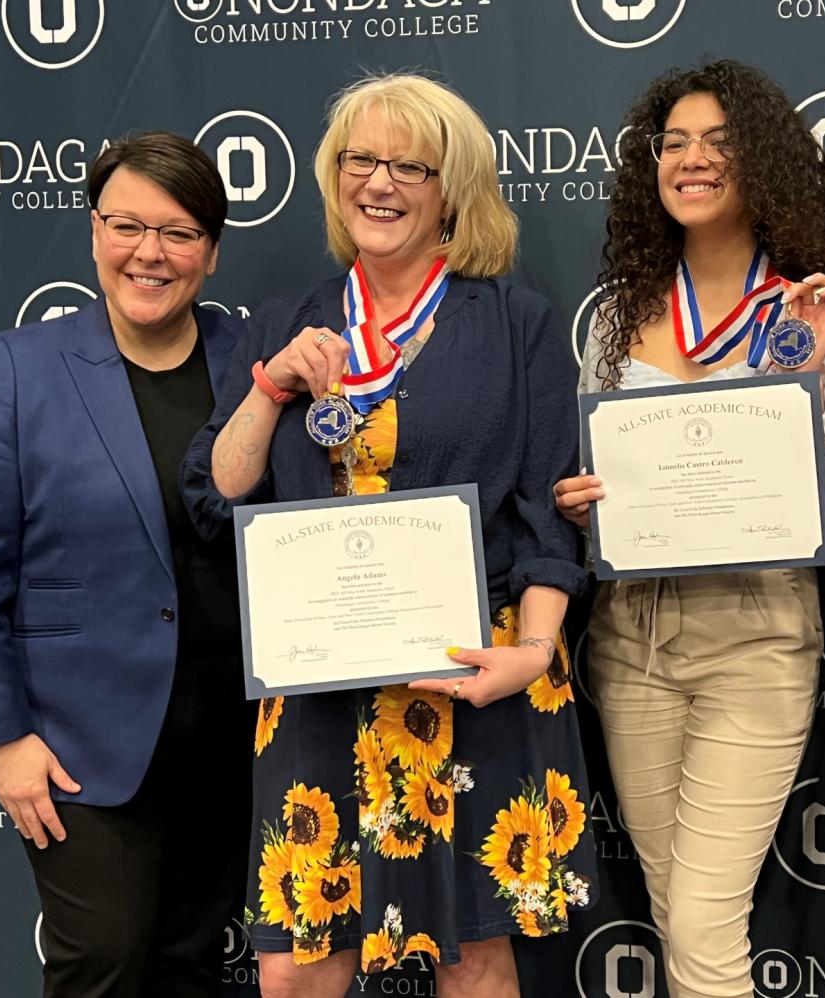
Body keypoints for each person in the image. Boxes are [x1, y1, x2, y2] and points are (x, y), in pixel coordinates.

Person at [181, 73, 596, 998]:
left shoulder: (515, 324)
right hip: (318, 682)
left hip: (472, 672)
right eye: (361, 159)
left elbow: (543, 514)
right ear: (333, 177)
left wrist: (533, 650)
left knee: (475, 959)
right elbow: (219, 491)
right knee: (296, 968)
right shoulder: (291, 321)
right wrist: (270, 386)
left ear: (453, 191)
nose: (381, 182)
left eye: (411, 165)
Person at [551, 60, 825, 997]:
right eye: (675, 143)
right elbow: (599, 462)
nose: (692, 161)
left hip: (757, 636)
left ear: (762, 163)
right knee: (670, 911)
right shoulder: (617, 315)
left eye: (720, 144)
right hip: (632, 638)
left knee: (701, 922)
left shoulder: (812, 305)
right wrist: (583, 503)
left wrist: (816, 374)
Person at [0, 131, 249, 997]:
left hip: (229, 735)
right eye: (127, 225)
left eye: (179, 232)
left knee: (192, 963)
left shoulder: (250, 363)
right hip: (79, 741)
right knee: (106, 961)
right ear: (93, 234)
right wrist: (3, 738)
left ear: (212, 252)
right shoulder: (17, 370)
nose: (149, 253)